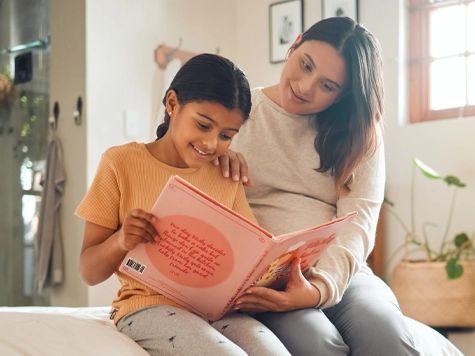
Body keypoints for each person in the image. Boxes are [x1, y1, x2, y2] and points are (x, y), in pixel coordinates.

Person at [216, 17, 421, 355]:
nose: (306, 86)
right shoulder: (234, 116)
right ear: (294, 44)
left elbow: (361, 221)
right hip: (268, 278)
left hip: (342, 271)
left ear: (343, 96)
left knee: (385, 332)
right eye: (305, 64)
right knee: (316, 342)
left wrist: (321, 288)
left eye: (327, 85)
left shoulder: (360, 135)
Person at [75, 53, 291, 356]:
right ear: (172, 104)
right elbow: (88, 271)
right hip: (148, 307)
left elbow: (252, 256)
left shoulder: (225, 174)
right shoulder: (120, 163)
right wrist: (121, 240)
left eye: (226, 136)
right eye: (203, 125)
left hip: (219, 311)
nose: (211, 144)